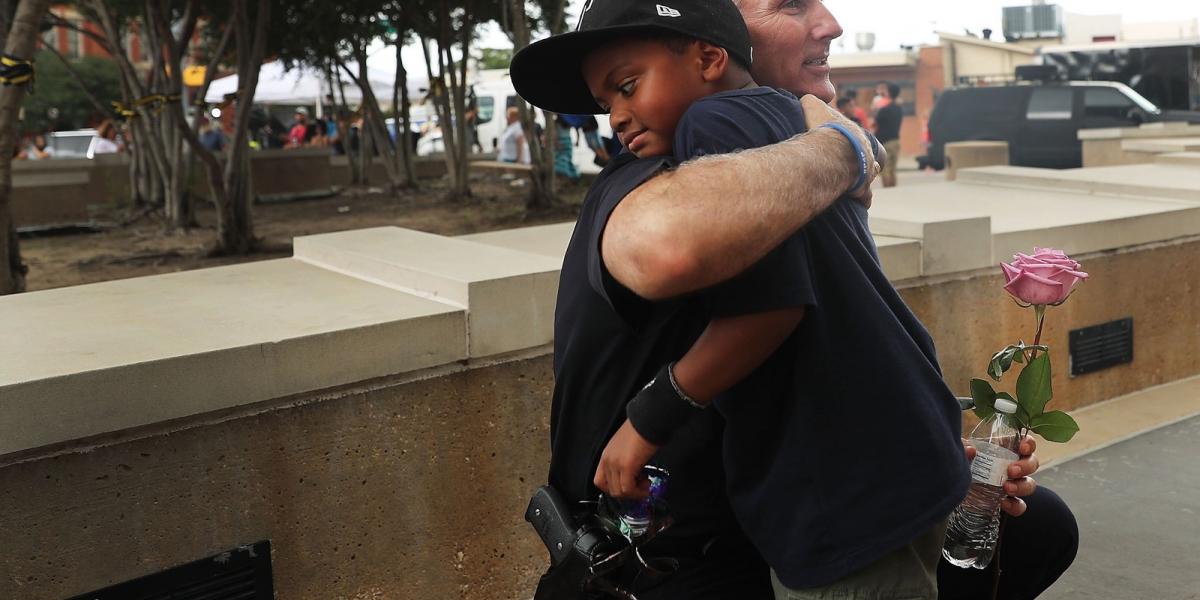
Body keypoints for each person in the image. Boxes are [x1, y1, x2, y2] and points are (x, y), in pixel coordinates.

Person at [512, 0, 1074, 598]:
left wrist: (922, 455)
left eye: (627, 88)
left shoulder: (749, 141)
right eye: (788, 4)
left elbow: (788, 318)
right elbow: (672, 245)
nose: (829, 24)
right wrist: (846, 144)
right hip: (676, 551)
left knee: (1043, 529)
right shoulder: (718, 158)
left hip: (785, 525)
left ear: (710, 53)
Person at [874, 82, 904, 188]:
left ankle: (887, 190)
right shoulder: (899, 109)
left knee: (885, 169)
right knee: (892, 170)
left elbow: (875, 123)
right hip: (895, 140)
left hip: (885, 142)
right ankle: (893, 190)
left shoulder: (884, 109)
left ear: (889, 93)